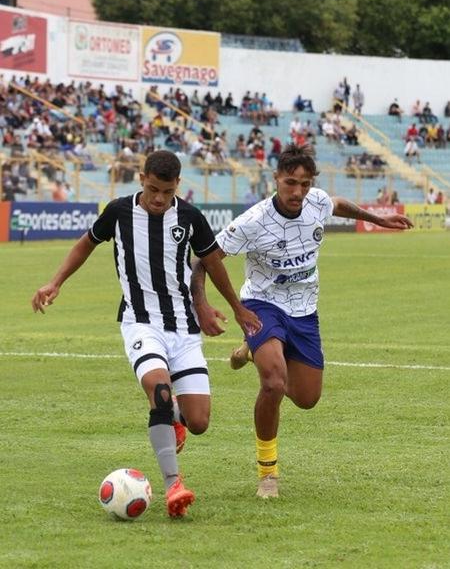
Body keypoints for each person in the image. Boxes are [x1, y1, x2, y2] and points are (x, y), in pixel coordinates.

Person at [31, 150, 261, 518]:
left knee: (199, 422)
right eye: (153, 189)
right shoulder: (119, 212)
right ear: (141, 178)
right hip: (140, 322)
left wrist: (234, 306)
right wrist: (55, 282)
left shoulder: (189, 217)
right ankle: (174, 485)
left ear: (178, 187)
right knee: (159, 389)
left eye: (167, 192)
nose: (158, 198)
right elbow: (85, 244)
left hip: (183, 329)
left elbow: (212, 263)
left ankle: (175, 422)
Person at [190, 144, 413, 499]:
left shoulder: (316, 202)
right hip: (261, 305)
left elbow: (338, 204)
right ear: (276, 179)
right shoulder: (253, 222)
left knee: (307, 398)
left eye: (304, 184)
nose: (297, 192)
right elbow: (203, 261)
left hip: (305, 309)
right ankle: (268, 475)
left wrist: (379, 219)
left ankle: (251, 351)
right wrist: (203, 304)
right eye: (290, 182)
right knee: (275, 383)